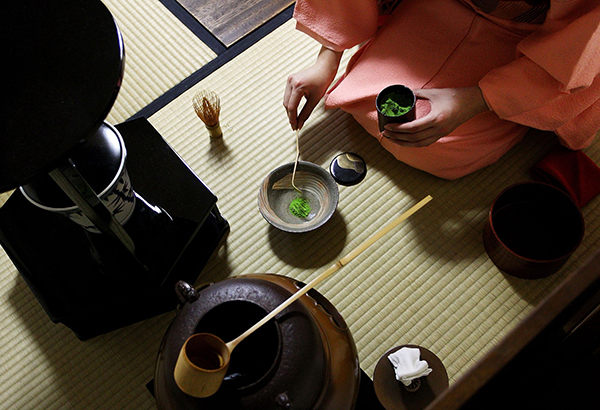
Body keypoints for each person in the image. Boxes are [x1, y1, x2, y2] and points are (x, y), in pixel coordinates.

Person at [283, 0, 600, 179]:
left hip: (525, 43)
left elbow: (579, 43)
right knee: (362, 101)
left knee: (440, 147)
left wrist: (477, 100)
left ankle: (505, 100)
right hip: (436, 7)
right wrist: (328, 57)